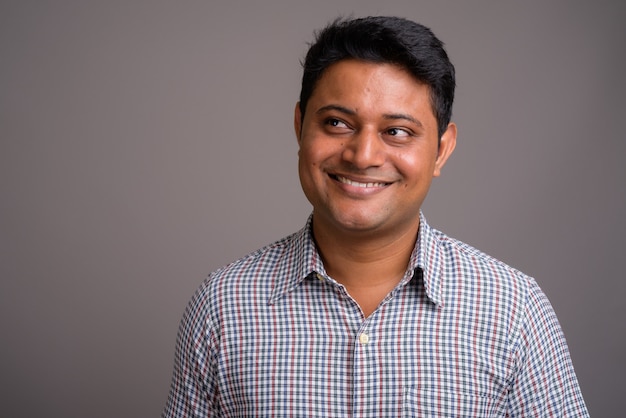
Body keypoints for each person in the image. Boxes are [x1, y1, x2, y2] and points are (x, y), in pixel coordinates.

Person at [162, 16, 589, 417]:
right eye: (336, 123)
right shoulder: (223, 307)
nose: (363, 155)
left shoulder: (512, 309)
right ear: (300, 127)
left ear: (441, 149)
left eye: (397, 132)